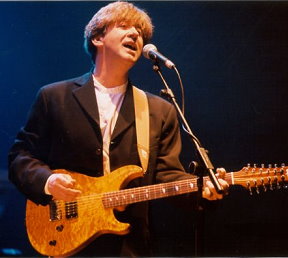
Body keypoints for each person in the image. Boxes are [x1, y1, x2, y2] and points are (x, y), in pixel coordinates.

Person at [8, 1, 228, 257]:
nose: (136, 34)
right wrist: (48, 180)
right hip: (65, 235)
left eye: (140, 32)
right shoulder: (55, 97)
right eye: (124, 26)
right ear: (98, 37)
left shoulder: (158, 110)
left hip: (130, 244)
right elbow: (20, 157)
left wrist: (201, 188)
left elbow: (167, 175)